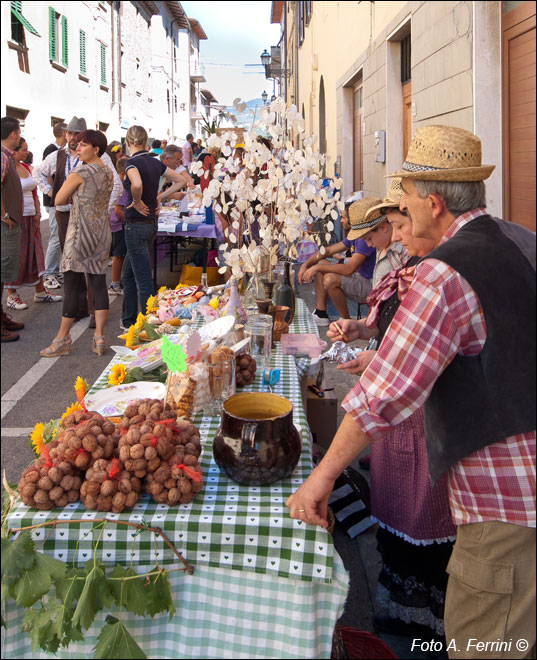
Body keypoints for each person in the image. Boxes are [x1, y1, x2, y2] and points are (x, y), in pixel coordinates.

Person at [286, 125, 536, 659]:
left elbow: (382, 394)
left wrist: (321, 478)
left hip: (505, 503)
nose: (399, 218)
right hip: (522, 489)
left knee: (486, 643)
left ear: (434, 202)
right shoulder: (520, 239)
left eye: (404, 201)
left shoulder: (443, 273)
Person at [328, 179, 456, 641]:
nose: (397, 236)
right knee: (396, 509)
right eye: (395, 226)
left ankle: (424, 617)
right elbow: (388, 333)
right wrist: (364, 338)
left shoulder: (438, 276)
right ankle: (401, 605)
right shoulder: (408, 268)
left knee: (421, 512)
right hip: (398, 418)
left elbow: (419, 354)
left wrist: (326, 474)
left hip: (419, 418)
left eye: (401, 225)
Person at [34, 116, 122, 326]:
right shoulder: (57, 155)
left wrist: (100, 208)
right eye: (71, 134)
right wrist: (49, 191)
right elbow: (39, 173)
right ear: (65, 135)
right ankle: (80, 310)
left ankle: (90, 313)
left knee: (89, 269)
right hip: (67, 215)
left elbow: (116, 186)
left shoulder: (96, 161)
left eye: (78, 136)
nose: (74, 139)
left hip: (91, 219)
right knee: (76, 268)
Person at [40, 130, 114, 357]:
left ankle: (62, 338)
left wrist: (77, 196)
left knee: (72, 285)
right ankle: (99, 337)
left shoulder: (81, 171)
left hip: (80, 233)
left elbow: (59, 198)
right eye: (77, 145)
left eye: (83, 145)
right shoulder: (108, 172)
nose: (77, 148)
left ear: (96, 149)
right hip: (101, 234)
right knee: (99, 282)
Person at [121, 125, 188, 329]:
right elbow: (180, 180)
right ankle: (129, 320)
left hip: (136, 225)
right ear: (146, 140)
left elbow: (137, 183)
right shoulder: (153, 162)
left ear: (129, 142)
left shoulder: (131, 163)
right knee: (129, 274)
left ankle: (151, 324)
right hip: (150, 225)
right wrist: (160, 196)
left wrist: (138, 199)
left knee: (143, 279)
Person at [298, 197, 379, 325]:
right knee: (321, 263)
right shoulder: (354, 235)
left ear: (353, 220)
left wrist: (317, 268)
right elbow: (328, 251)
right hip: (357, 276)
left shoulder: (364, 239)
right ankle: (321, 314)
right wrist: (306, 264)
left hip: (369, 283)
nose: (341, 221)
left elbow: (349, 269)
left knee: (330, 278)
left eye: (344, 218)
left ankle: (346, 321)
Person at [5, 137, 62, 310]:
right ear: (14, 151)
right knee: (16, 257)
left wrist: (37, 212)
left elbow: (35, 192)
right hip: (16, 218)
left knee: (35, 254)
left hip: (31, 217)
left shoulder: (26, 168)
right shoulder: (7, 169)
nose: (27, 152)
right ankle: (11, 295)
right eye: (24, 149)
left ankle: (40, 291)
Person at [1, 116, 25, 342]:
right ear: (13, 134)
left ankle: (1, 318)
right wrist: (3, 214)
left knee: (4, 272)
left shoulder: (6, 156)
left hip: (8, 222)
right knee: (1, 272)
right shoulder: (2, 156)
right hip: (4, 225)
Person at [41, 121, 67, 291]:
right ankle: (49, 273)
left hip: (59, 200)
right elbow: (49, 175)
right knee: (56, 237)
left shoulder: (60, 150)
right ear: (64, 133)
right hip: (54, 202)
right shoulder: (52, 150)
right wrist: (55, 194)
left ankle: (55, 271)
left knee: (60, 235)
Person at [108, 155, 129, 296]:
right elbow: (118, 210)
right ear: (123, 173)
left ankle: (118, 281)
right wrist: (127, 221)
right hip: (119, 225)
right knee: (118, 255)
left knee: (120, 254)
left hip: (118, 224)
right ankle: (114, 284)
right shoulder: (122, 186)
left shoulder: (120, 185)